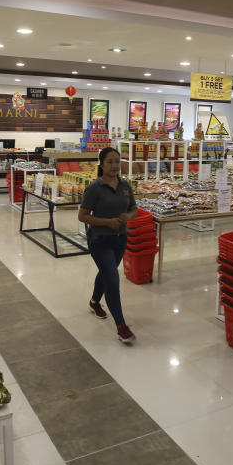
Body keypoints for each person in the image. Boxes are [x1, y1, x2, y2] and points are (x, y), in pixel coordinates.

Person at [78, 147, 138, 343]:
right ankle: (121, 326)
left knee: (107, 272)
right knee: (112, 279)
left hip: (120, 239)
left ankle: (94, 302)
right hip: (99, 240)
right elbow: (82, 216)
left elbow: (133, 209)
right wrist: (107, 222)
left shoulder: (125, 186)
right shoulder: (94, 188)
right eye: (110, 162)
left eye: (117, 161)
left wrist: (127, 216)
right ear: (102, 164)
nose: (114, 165)